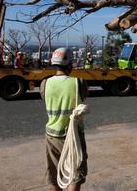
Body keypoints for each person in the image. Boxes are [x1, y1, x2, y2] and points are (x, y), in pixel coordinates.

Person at [41, 47, 88, 191]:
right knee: (74, 175)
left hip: (52, 136)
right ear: (70, 64)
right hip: (73, 136)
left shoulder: (45, 83)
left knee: (54, 176)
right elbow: (83, 98)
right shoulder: (79, 82)